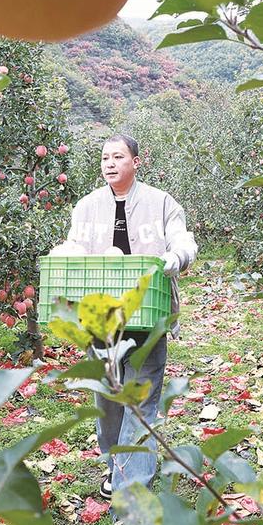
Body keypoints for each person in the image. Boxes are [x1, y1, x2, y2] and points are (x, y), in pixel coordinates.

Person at [63, 133, 197, 504]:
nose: (110, 163)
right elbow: (74, 246)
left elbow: (183, 240)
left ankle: (131, 491)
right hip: (102, 319)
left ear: (136, 162)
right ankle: (116, 464)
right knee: (107, 399)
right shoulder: (87, 207)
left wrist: (177, 257)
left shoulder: (161, 202)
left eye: (118, 156)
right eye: (105, 157)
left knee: (142, 400)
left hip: (147, 317)